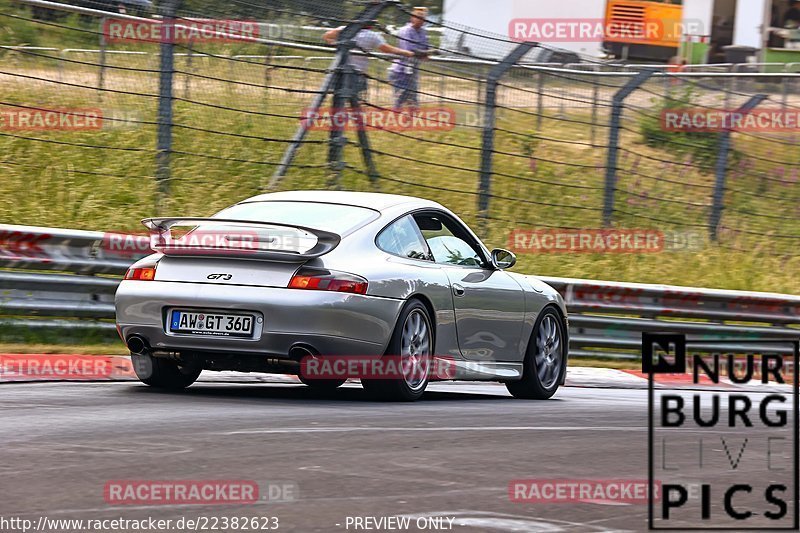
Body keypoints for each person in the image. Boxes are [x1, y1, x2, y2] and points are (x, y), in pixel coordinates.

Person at [323, 22, 422, 98]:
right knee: (356, 99)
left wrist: (337, 45)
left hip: (339, 69)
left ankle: (338, 118)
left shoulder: (346, 29)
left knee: (339, 97)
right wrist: (409, 53)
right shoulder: (372, 35)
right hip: (358, 73)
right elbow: (388, 49)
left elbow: (327, 36)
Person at [389, 7, 432, 110]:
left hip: (412, 71)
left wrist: (425, 52)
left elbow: (426, 47)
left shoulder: (423, 31)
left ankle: (412, 124)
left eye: (423, 18)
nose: (421, 20)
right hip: (401, 72)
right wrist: (424, 53)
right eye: (418, 17)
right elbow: (410, 51)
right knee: (400, 101)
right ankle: (395, 123)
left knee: (413, 102)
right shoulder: (406, 31)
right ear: (412, 18)